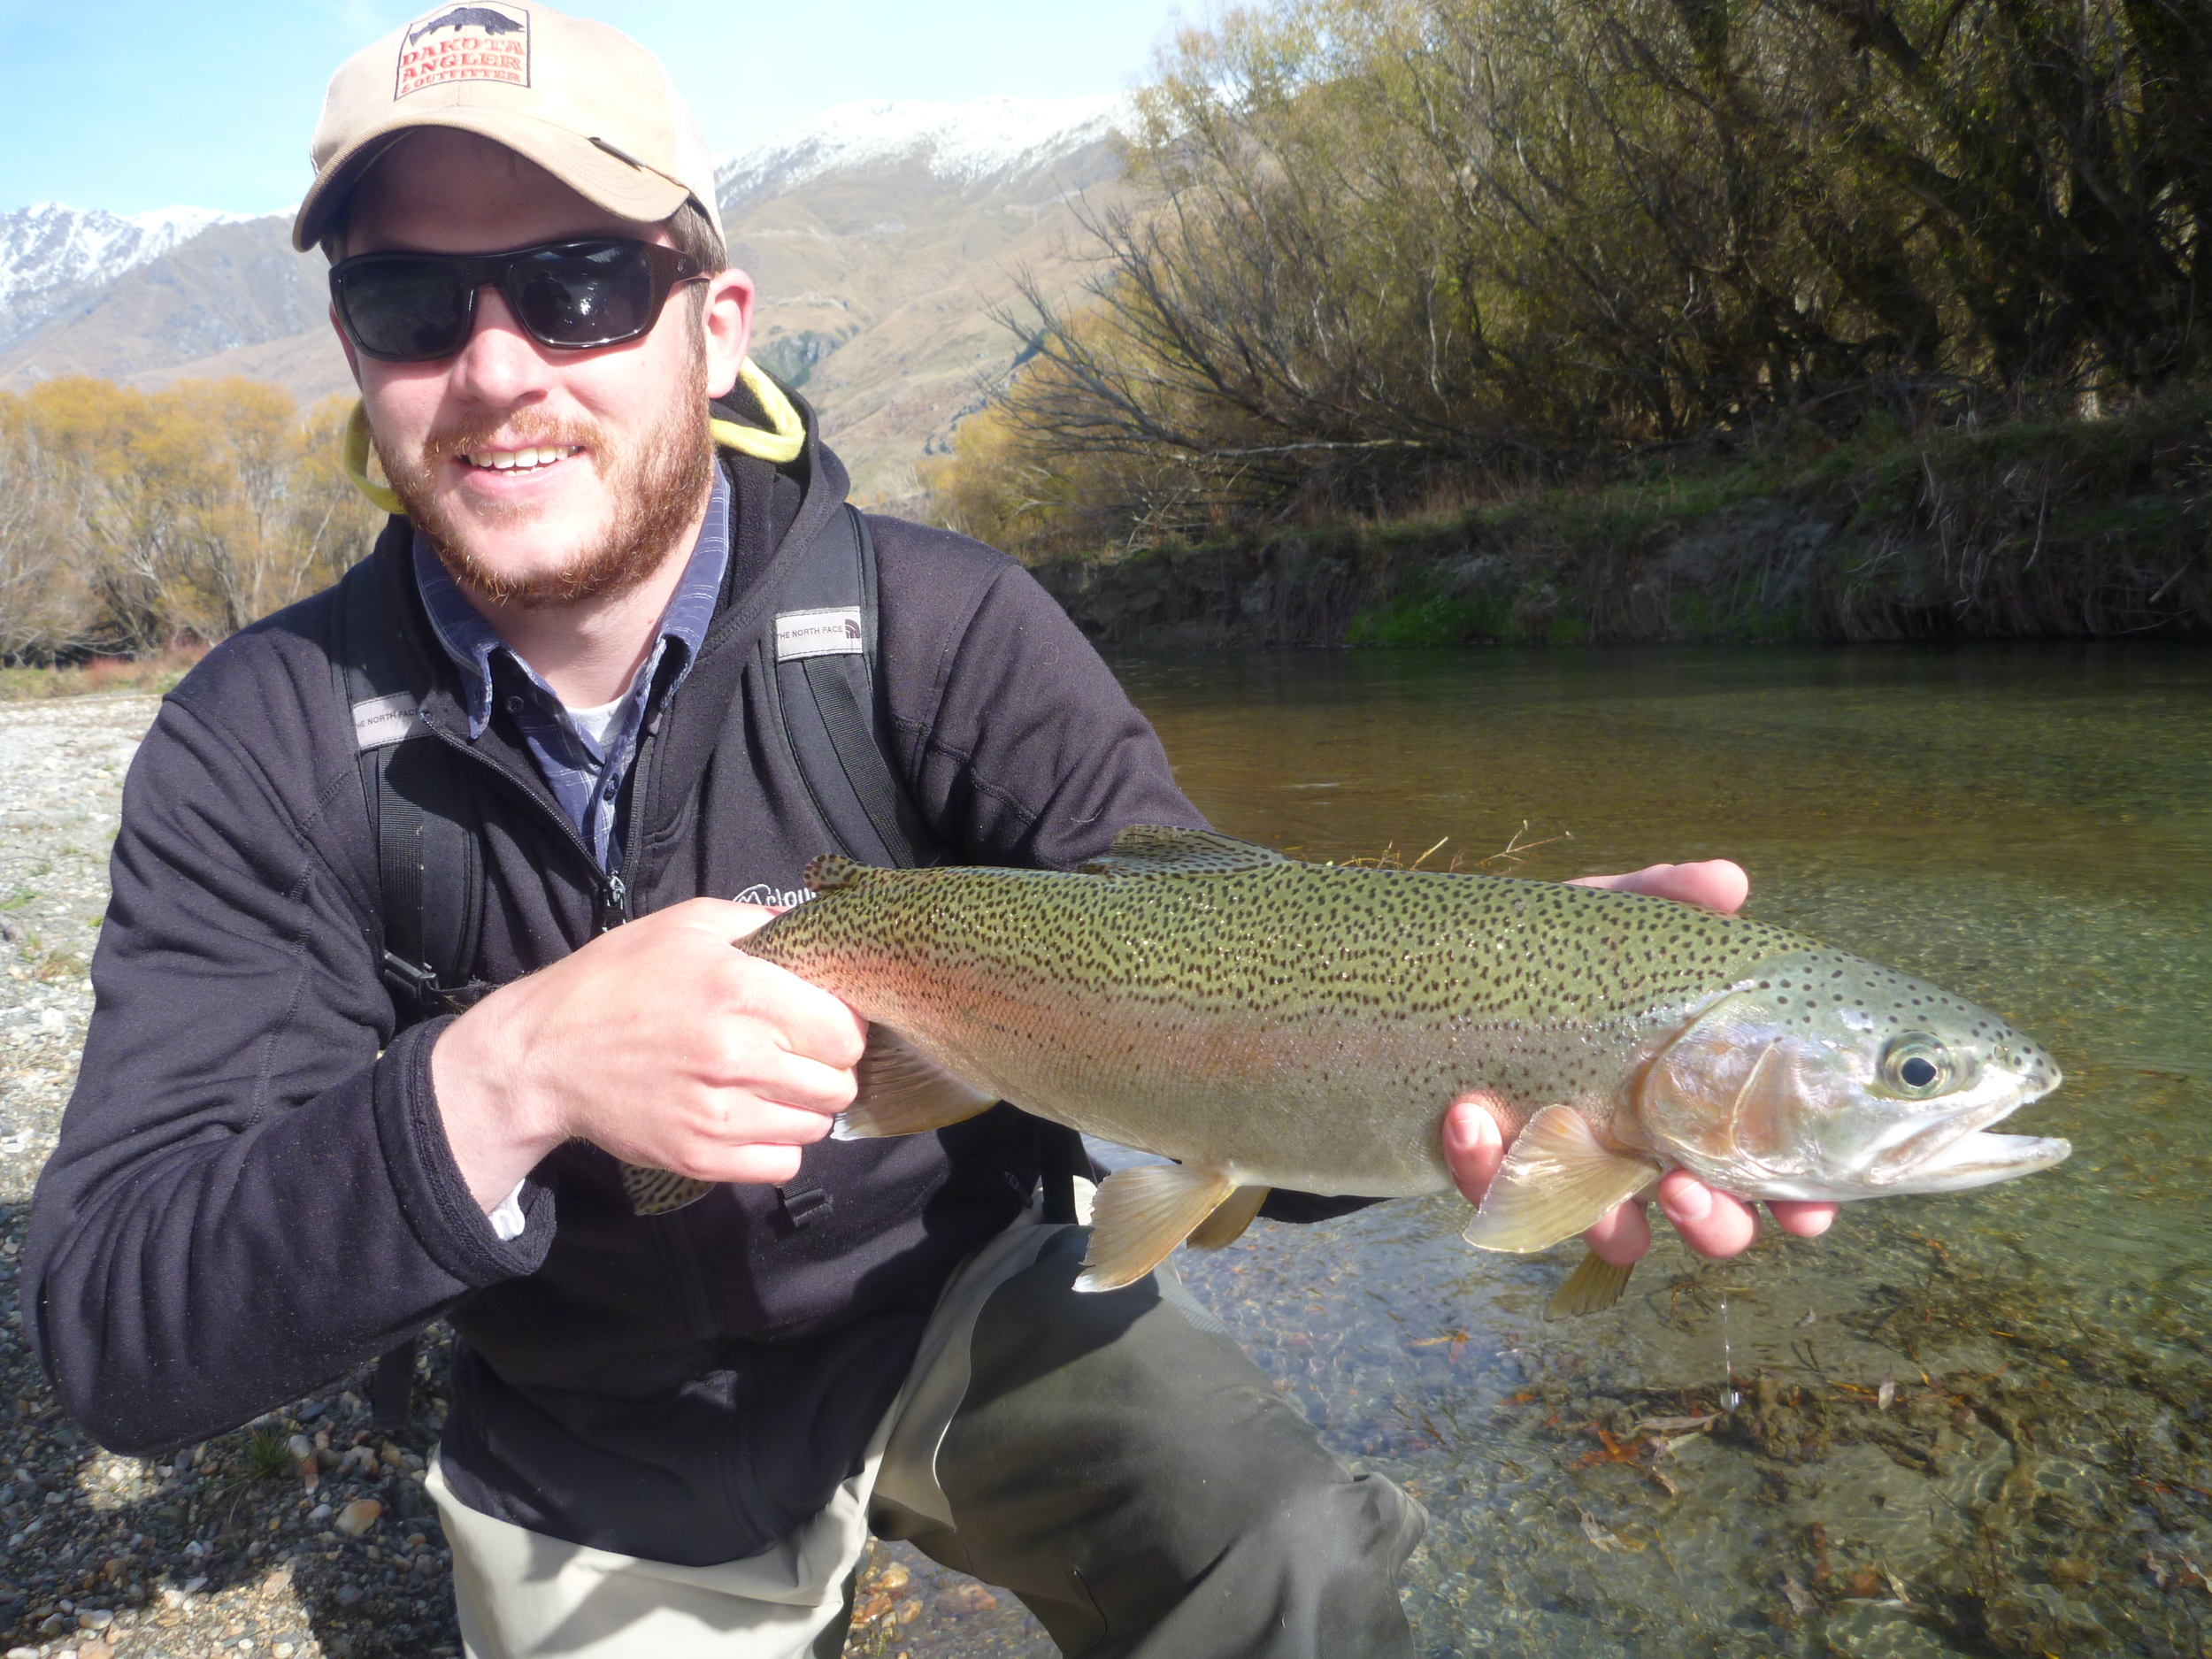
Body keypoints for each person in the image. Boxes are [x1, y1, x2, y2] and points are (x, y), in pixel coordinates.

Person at [23, 7, 1836, 1656]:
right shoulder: (255, 741)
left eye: (578, 284)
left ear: (709, 324)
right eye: (415, 300)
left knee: (1297, 1557)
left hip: (954, 1309)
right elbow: (119, 1327)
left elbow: (1206, 970)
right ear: (355, 344)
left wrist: (1476, 1021)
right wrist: (503, 1074)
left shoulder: (944, 629)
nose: (498, 369)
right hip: (591, 1422)